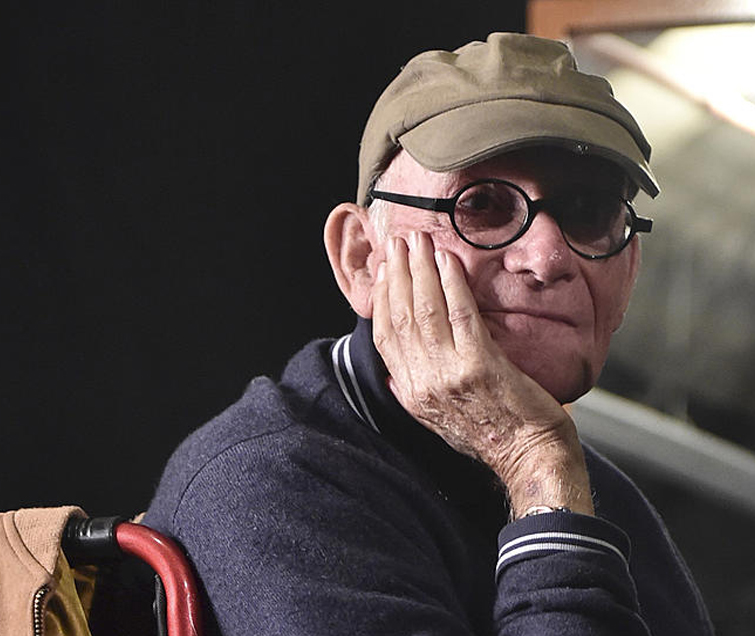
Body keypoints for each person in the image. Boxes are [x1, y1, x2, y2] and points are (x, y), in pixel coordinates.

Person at [143, 32, 714, 635]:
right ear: (363, 258)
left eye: (591, 214)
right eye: (483, 205)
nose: (547, 258)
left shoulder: (605, 501)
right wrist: (533, 459)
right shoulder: (267, 483)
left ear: (629, 271)